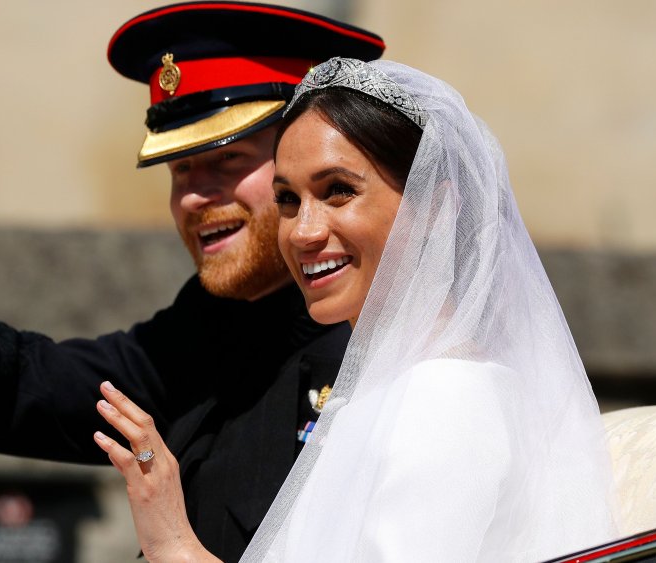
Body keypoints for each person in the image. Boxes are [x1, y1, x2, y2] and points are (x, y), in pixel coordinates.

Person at [0, 3, 386, 561]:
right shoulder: (208, 328)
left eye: (226, 159)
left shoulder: (393, 340)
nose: (194, 196)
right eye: (179, 170)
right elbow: (24, 391)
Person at [93, 58, 621, 562]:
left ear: (437, 206)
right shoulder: (384, 388)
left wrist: (176, 546)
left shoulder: (444, 397)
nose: (303, 231)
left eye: (339, 191)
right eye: (287, 199)